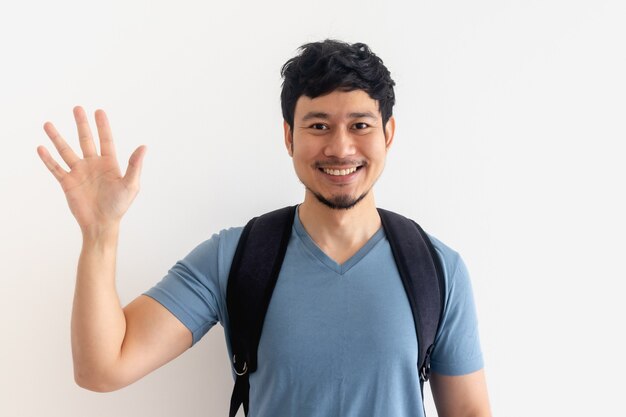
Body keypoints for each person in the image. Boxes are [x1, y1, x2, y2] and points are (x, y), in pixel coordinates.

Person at [37, 40, 491, 417]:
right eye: (318, 125)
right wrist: (100, 232)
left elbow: (469, 411)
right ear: (289, 136)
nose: (340, 146)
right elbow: (102, 368)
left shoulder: (436, 268)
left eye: (360, 125)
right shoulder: (235, 257)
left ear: (387, 134)